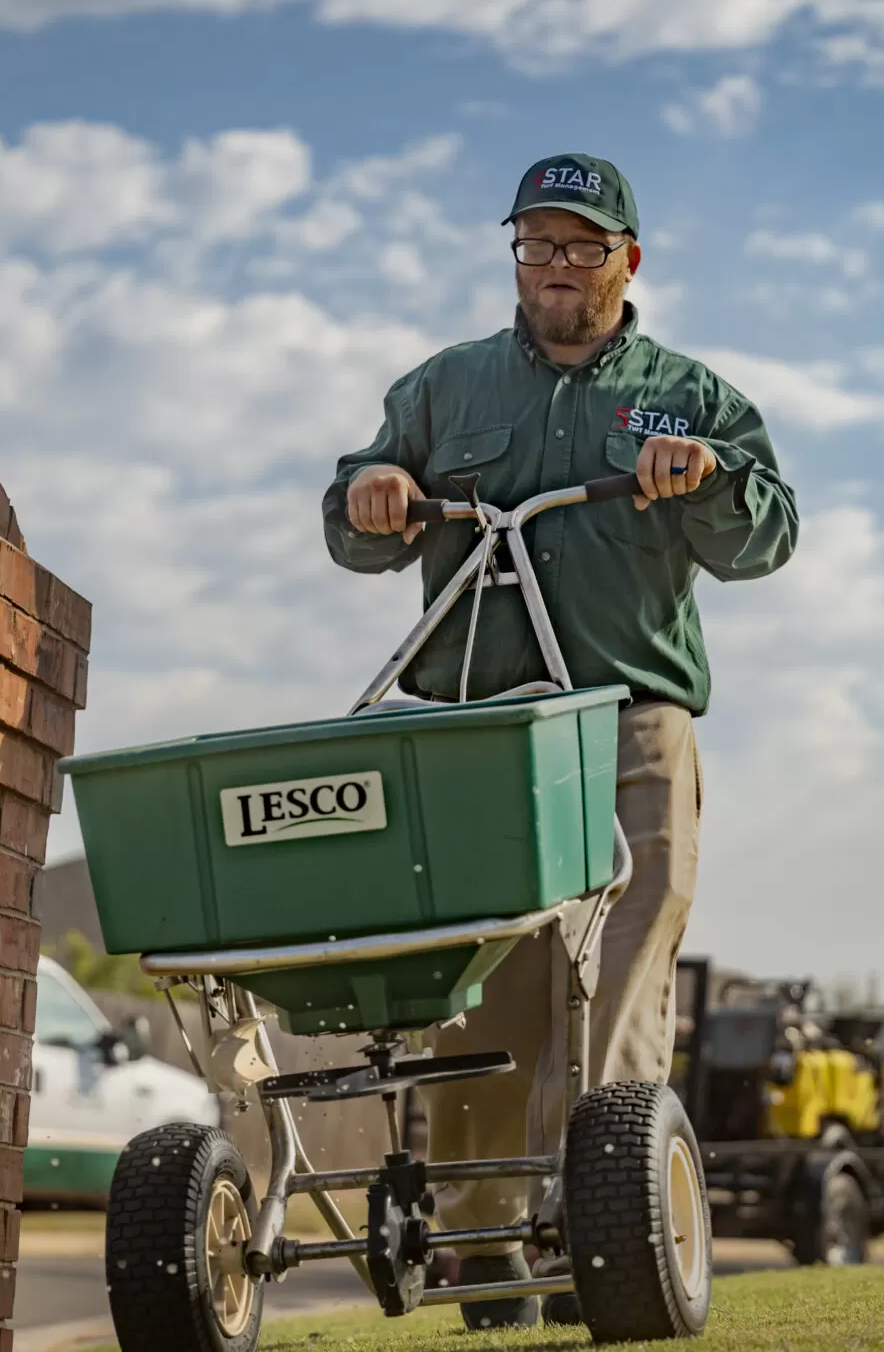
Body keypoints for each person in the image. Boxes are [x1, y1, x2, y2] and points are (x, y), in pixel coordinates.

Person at [321, 152, 798, 1328]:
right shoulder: (445, 387)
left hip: (632, 726)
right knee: (490, 1002)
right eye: (534, 243)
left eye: (581, 245)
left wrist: (707, 474)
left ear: (626, 260)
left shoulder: (691, 393)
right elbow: (354, 530)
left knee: (619, 981)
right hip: (478, 737)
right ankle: (487, 1263)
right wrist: (374, 486)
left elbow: (765, 540)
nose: (554, 266)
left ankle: (606, 1230)